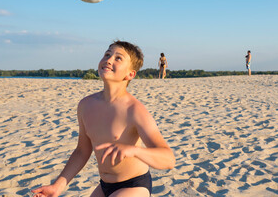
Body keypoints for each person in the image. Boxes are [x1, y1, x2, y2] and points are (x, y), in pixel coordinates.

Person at [32, 41, 175, 197]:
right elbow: (82, 150)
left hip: (134, 186)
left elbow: (168, 159)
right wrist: (57, 187)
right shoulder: (86, 105)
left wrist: (133, 150)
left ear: (130, 74)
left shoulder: (134, 110)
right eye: (107, 54)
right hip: (105, 186)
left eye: (118, 58)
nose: (109, 59)